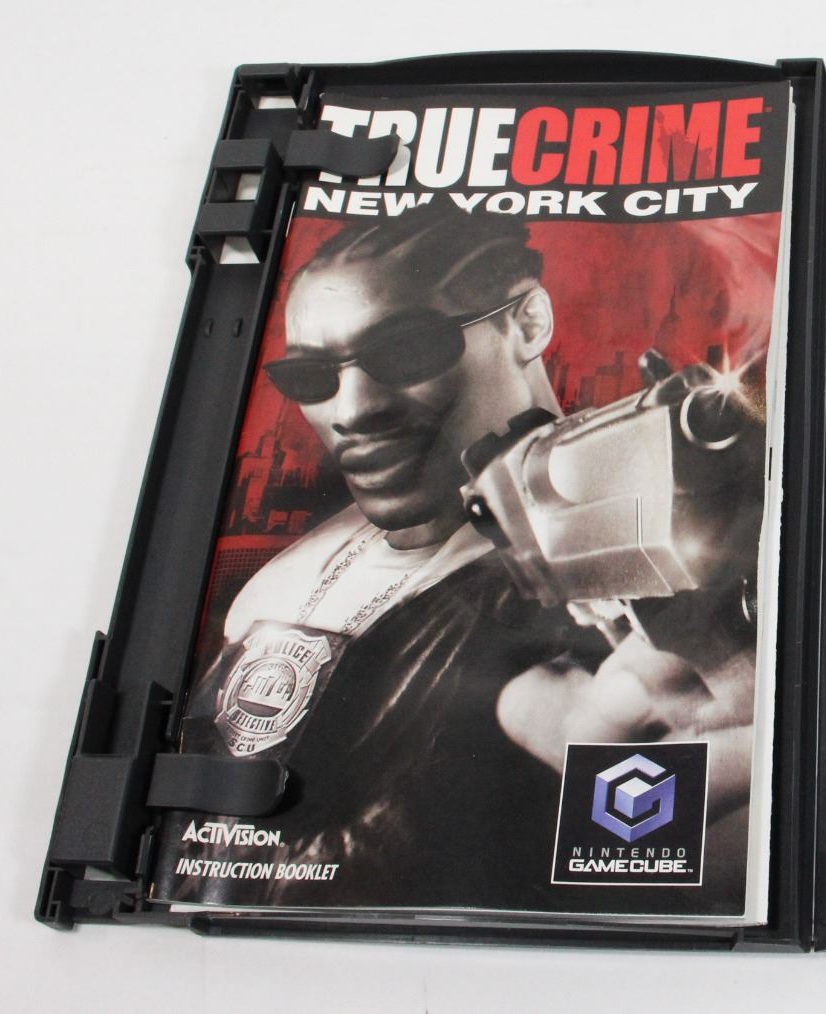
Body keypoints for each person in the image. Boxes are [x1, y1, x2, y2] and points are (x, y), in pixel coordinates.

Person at [159, 204, 761, 912]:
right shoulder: (281, 581)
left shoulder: (640, 553)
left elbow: (681, 781)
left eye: (407, 351)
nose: (353, 409)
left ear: (528, 323)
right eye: (310, 378)